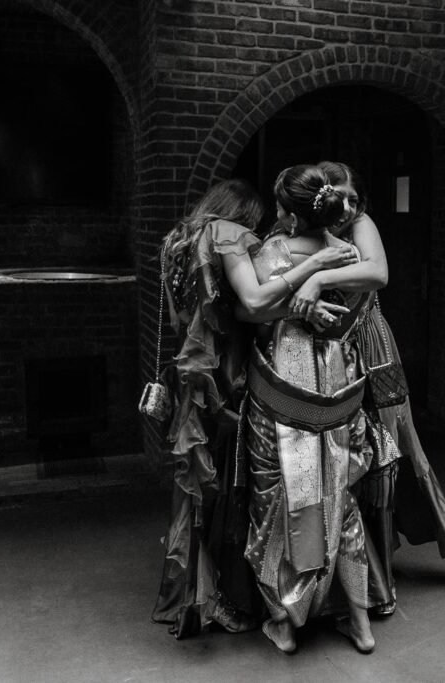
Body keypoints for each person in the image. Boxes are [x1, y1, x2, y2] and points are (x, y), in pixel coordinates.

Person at [242, 164, 445, 655]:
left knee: (281, 503)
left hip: (285, 399)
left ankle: (286, 621)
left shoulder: (270, 252)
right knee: (341, 505)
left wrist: (297, 296)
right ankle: (360, 624)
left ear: (290, 217)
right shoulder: (351, 254)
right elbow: (374, 279)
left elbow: (251, 310)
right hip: (342, 395)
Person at [150, 178, 358, 639]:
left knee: (199, 489)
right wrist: (317, 269)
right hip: (225, 372)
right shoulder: (227, 233)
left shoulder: (177, 240)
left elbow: (180, 315)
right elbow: (254, 300)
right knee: (229, 486)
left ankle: (196, 597)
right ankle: (221, 599)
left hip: (190, 372)